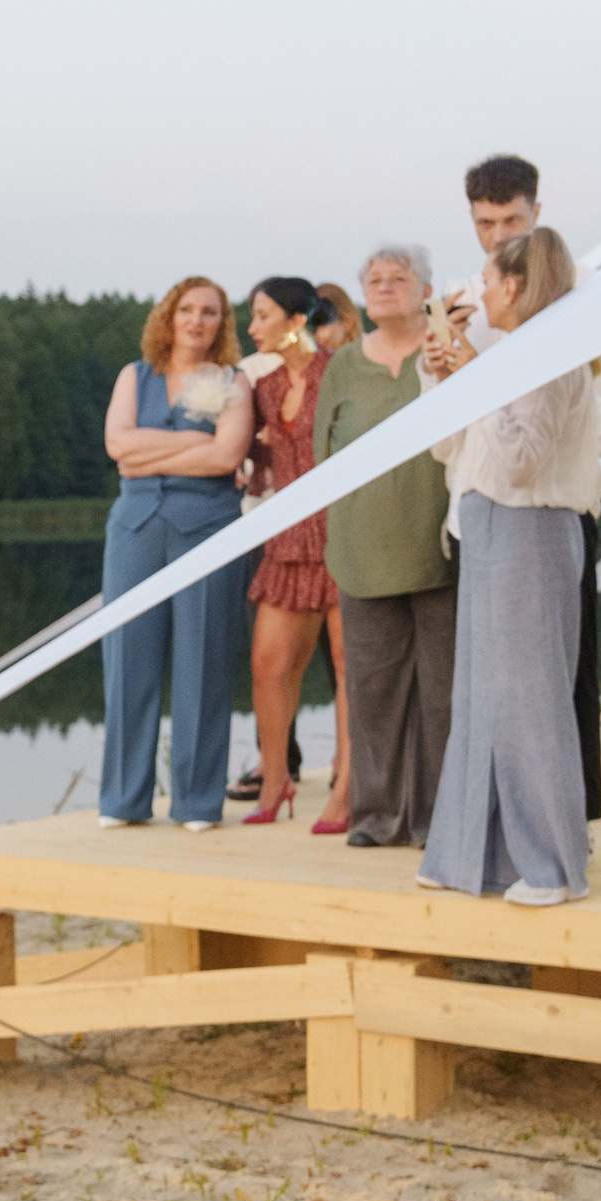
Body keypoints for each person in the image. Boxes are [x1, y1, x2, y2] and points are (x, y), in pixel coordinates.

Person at [428, 154, 601, 819]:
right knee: (487, 682)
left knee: (563, 675)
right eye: (485, 223)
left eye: (510, 219)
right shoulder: (464, 298)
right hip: (476, 513)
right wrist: (438, 373)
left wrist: (579, 497)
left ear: (536, 214)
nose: (497, 236)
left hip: (553, 511)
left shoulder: (585, 290)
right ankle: (496, 822)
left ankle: (575, 820)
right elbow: (444, 434)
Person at [418, 228, 601, 905]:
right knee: (481, 698)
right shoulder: (509, 355)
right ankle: (476, 856)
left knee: (531, 702)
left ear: (518, 285)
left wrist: (473, 370)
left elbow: (523, 457)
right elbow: (449, 448)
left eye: (489, 280)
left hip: (533, 527)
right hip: (485, 522)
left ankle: (555, 864)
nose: (481, 291)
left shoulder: (553, 354)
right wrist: (443, 372)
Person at [98, 278, 257, 831]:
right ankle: (122, 800)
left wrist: (154, 451)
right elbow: (118, 447)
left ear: (222, 323)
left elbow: (228, 456)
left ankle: (196, 802)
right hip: (135, 529)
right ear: (169, 316)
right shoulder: (133, 376)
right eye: (187, 309)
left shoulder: (234, 381)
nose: (197, 320)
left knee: (204, 661)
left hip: (208, 529)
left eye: (210, 312)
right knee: (127, 661)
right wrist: (195, 442)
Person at [318, 246, 454, 848]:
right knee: (372, 693)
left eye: (398, 278)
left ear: (425, 287)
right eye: (373, 279)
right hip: (361, 552)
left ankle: (437, 818)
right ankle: (376, 816)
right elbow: (323, 458)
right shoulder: (344, 365)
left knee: (442, 694)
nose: (384, 287)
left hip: (441, 546)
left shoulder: (447, 346)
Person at [240, 277, 352, 831]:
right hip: (288, 541)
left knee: (347, 666)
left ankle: (347, 787)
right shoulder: (262, 388)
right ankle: (277, 778)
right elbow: (266, 457)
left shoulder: (338, 370)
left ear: (295, 321)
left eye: (262, 316)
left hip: (340, 534)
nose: (252, 327)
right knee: (267, 664)